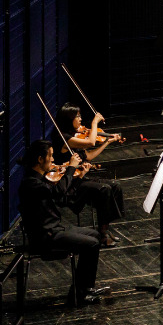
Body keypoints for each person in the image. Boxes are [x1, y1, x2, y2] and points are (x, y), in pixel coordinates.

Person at [19, 140, 108, 305]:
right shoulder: (31, 183)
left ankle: (84, 288)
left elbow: (61, 198)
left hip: (56, 228)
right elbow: (58, 191)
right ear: (40, 159)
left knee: (96, 235)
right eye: (51, 156)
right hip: (46, 237)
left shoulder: (40, 180)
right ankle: (79, 294)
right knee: (91, 244)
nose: (53, 160)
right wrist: (71, 167)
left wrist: (78, 176)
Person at [55, 104, 125, 246]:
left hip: (81, 177)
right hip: (70, 183)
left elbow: (88, 156)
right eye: (77, 116)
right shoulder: (65, 138)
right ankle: (103, 234)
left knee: (115, 186)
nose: (80, 119)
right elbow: (91, 142)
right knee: (104, 189)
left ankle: (104, 228)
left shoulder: (75, 135)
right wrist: (94, 122)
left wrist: (107, 141)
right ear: (68, 119)